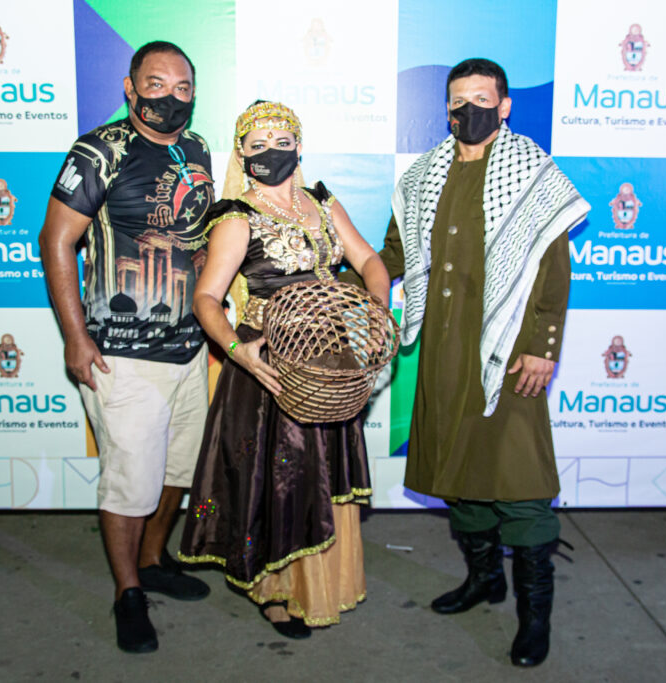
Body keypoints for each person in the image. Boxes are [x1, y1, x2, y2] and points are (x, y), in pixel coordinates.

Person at [343, 58, 589, 667]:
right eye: (459, 100)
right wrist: (339, 281)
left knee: (522, 484)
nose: (470, 109)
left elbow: (553, 269)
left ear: (505, 106)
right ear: (447, 107)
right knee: (458, 470)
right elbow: (394, 254)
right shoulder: (423, 176)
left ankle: (535, 618)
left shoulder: (531, 173)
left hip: (509, 351)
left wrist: (542, 346)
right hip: (443, 351)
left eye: (483, 98)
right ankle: (484, 579)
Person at [178, 100, 390, 639]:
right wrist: (237, 349)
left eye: (281, 141)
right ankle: (275, 592)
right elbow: (206, 299)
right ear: (242, 154)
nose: (270, 151)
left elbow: (369, 260)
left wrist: (376, 310)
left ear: (299, 146)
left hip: (331, 360)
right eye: (257, 144)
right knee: (282, 481)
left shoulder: (323, 202)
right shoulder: (236, 216)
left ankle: (325, 586)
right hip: (269, 368)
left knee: (324, 476)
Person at [39, 41, 214, 654]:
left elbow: (200, 239)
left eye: (183, 87)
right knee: (129, 484)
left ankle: (154, 559)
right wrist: (75, 336)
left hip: (189, 348)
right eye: (156, 84)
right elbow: (56, 241)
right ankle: (128, 593)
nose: (170, 97)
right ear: (130, 87)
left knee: (178, 470)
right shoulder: (101, 150)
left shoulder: (198, 149)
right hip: (122, 356)